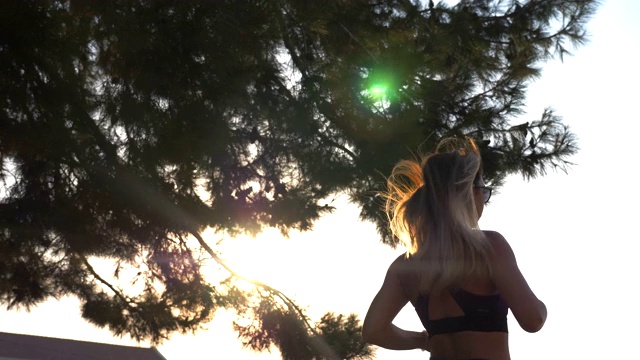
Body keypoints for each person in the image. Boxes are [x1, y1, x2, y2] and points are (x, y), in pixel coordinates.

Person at [362, 137, 546, 360]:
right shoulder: (488, 247)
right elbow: (532, 320)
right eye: (484, 191)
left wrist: (422, 340)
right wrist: (541, 307)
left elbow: (374, 330)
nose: (484, 200)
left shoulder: (404, 267)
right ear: (468, 192)